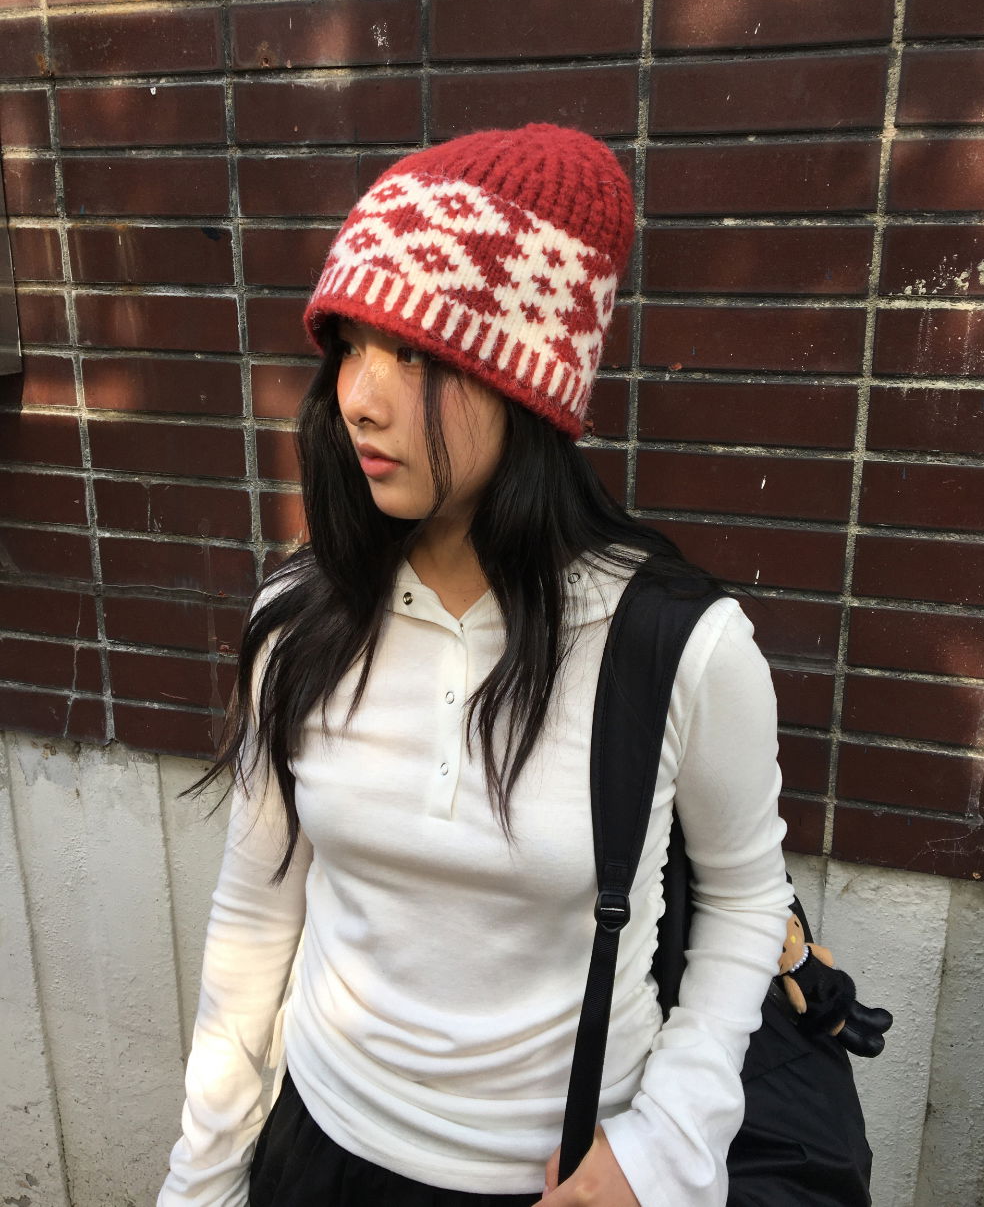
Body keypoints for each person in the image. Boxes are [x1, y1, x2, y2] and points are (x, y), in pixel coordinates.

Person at [157, 123, 791, 1207]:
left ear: (527, 382)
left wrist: (665, 1145)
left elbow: (745, 899)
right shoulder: (302, 620)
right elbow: (257, 910)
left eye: (412, 354)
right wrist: (200, 1180)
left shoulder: (676, 643)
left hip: (553, 1179)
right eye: (350, 346)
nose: (358, 397)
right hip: (317, 1155)